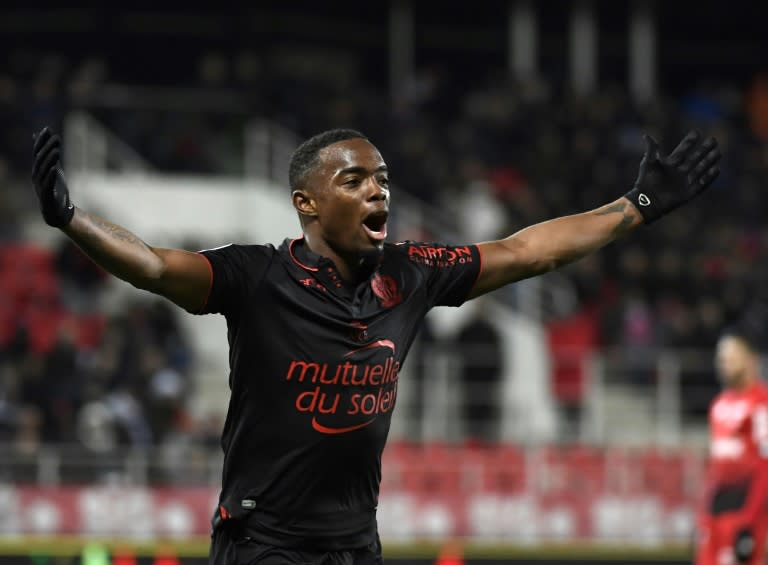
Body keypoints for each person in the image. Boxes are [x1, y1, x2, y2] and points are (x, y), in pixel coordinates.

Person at [30, 125, 720, 564]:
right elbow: (152, 264)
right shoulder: (255, 276)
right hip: (264, 544)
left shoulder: (410, 273)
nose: (377, 189)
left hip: (355, 544)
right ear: (306, 202)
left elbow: (525, 251)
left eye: (382, 178)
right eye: (354, 179)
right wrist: (72, 218)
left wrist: (638, 206)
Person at [696, 330, 768, 565]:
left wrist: (750, 521)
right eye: (721, 359)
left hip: (744, 513)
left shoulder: (762, 402)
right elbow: (715, 467)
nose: (724, 364)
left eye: (731, 358)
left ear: (751, 360)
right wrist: (703, 514)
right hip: (715, 512)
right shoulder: (718, 405)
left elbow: (765, 464)